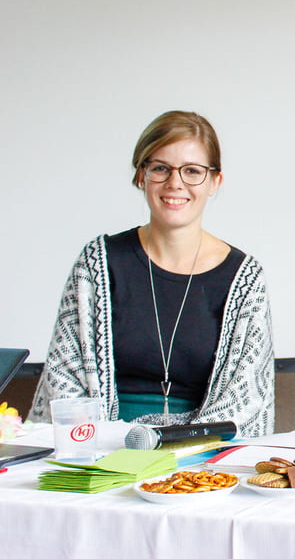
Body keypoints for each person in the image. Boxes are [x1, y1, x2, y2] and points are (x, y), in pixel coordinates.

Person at [30, 111, 274, 437]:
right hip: (99, 447)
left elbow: (244, 402)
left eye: (192, 171)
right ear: (141, 176)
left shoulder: (244, 278)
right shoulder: (96, 263)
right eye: (160, 168)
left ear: (215, 181)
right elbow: (64, 382)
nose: (175, 183)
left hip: (201, 452)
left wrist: (172, 447)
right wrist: (113, 445)